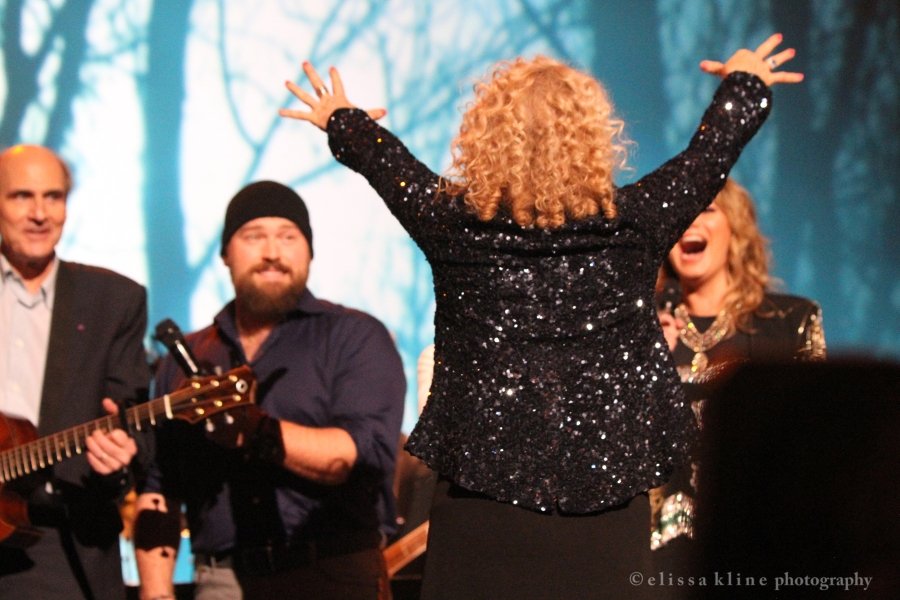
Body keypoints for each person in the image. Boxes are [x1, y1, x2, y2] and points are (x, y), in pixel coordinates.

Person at [280, 35, 801, 599]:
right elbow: (711, 152)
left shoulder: (452, 224)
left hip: (478, 514)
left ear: (485, 139)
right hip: (606, 513)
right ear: (591, 140)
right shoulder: (636, 224)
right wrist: (744, 83)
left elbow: (388, 166)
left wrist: (342, 118)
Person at [134, 181, 406, 600]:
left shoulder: (355, 337)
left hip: (330, 574)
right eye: (253, 236)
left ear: (310, 252)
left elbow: (362, 454)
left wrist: (258, 432)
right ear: (226, 253)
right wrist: (156, 593)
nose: (272, 253)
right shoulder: (184, 357)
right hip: (220, 581)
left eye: (288, 236)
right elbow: (160, 484)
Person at [650, 177, 826, 585]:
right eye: (679, 214)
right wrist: (645, 358)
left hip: (755, 550)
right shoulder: (642, 329)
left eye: (706, 209)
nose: (689, 222)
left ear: (737, 226)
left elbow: (814, 447)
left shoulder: (790, 324)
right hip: (652, 559)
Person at [0, 145, 150, 600]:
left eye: (54, 197)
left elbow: (135, 426)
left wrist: (116, 461)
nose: (40, 213)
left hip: (63, 545)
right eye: (21, 196)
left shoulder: (113, 301)